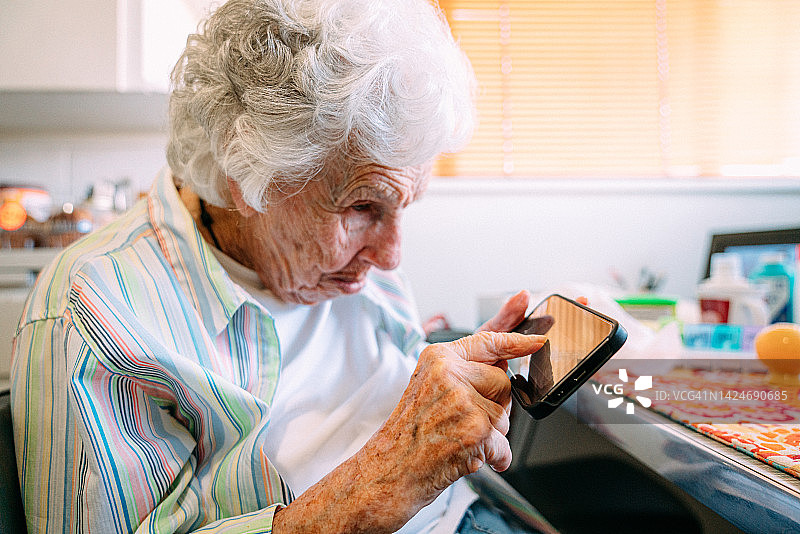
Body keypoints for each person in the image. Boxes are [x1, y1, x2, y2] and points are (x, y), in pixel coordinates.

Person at [10, 0, 546, 532]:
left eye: (403, 206)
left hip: (475, 510)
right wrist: (392, 477)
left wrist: (468, 386)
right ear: (246, 173)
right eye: (363, 207)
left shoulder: (345, 263)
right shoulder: (94, 311)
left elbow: (396, 391)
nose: (391, 257)